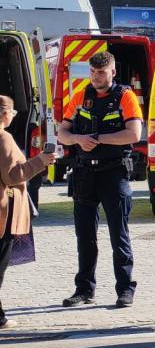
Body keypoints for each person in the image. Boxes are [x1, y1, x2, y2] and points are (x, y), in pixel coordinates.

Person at [58, 51, 143, 309]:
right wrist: (77, 140)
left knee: (119, 235)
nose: (96, 77)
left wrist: (98, 139)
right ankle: (84, 289)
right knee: (85, 236)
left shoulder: (125, 97)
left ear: (113, 72)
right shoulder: (81, 96)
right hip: (84, 174)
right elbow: (62, 132)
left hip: (113, 173)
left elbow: (134, 134)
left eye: (101, 72)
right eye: (93, 73)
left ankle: (125, 289)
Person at [0, 97, 55, 329]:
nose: (13, 116)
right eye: (12, 112)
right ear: (4, 114)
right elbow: (12, 175)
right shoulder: (4, 137)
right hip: (3, 213)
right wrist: (40, 161)